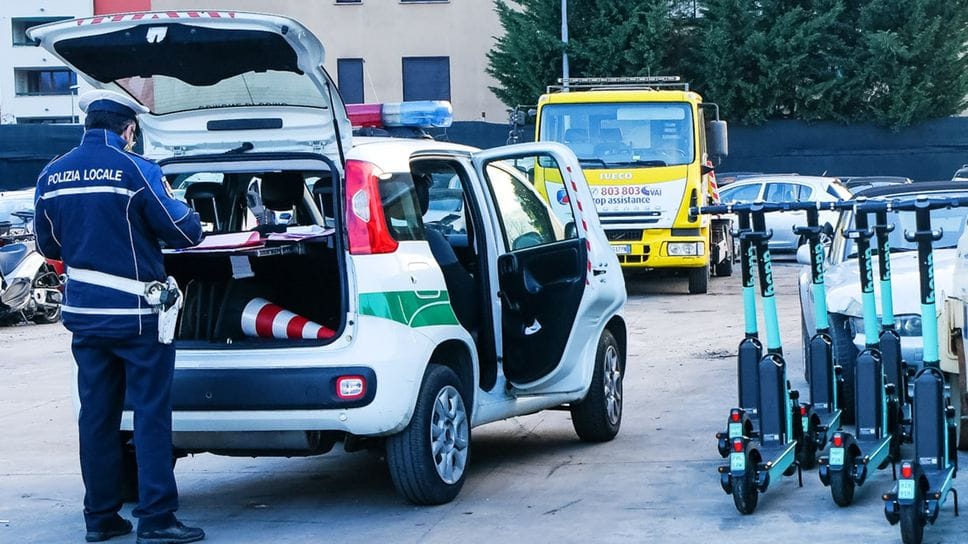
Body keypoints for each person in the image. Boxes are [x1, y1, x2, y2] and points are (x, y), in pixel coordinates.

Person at [33, 90, 205, 544]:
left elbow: (49, 246)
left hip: (85, 318)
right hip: (136, 317)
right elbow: (184, 231)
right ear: (128, 130)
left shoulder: (51, 174)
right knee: (149, 414)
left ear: (88, 125)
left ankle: (101, 518)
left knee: (96, 417)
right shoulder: (135, 170)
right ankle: (157, 519)